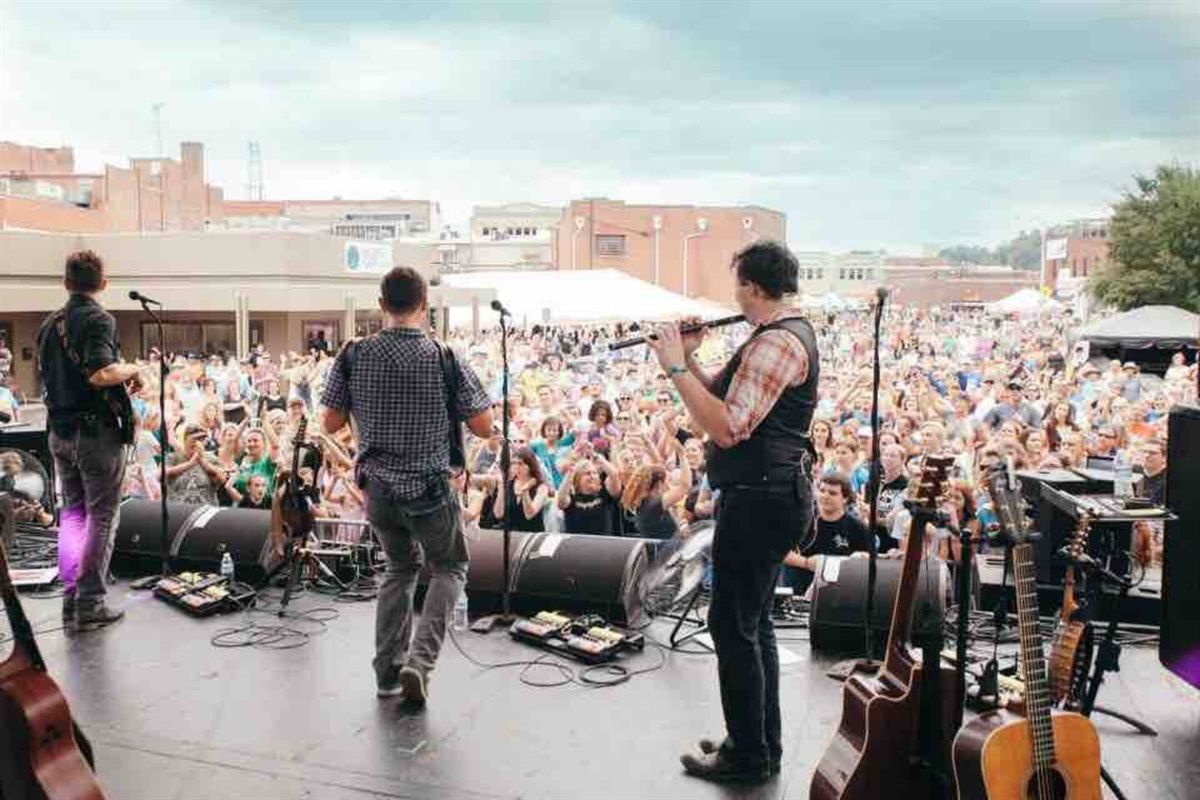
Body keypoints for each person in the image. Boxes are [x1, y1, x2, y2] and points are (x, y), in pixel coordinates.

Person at [647, 240, 817, 784]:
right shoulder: (772, 338)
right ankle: (758, 744)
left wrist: (674, 366)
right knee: (751, 622)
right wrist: (691, 356)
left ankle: (747, 757)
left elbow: (723, 425)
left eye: (736, 284)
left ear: (750, 286)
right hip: (764, 494)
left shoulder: (777, 343)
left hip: (763, 498)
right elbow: (720, 393)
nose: (733, 294)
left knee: (729, 624)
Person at [322, 266, 492, 707]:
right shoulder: (443, 356)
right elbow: (484, 425)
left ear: (381, 305)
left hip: (377, 488)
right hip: (429, 489)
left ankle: (387, 675)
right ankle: (419, 661)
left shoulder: (354, 353)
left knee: (398, 569)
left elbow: (331, 421)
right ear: (424, 305)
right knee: (450, 567)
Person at [37, 250, 142, 630]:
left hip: (58, 432)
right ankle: (91, 601)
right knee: (100, 516)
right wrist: (133, 369)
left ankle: (70, 593)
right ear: (103, 284)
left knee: (74, 514)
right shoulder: (99, 319)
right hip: (94, 435)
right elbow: (100, 373)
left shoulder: (50, 324)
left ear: (66, 283)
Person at [782, 472, 871, 592]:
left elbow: (867, 560)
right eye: (822, 491)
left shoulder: (857, 527)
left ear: (845, 498)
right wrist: (807, 563)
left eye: (832, 493)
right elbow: (780, 552)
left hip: (838, 592)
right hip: (798, 588)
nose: (825, 496)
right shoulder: (801, 520)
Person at [557, 453, 624, 535]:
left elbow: (614, 474)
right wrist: (570, 473)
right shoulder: (571, 498)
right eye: (587, 473)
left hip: (604, 545)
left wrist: (598, 458)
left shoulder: (605, 494)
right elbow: (561, 500)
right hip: (578, 545)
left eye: (595, 473)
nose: (592, 476)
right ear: (578, 478)